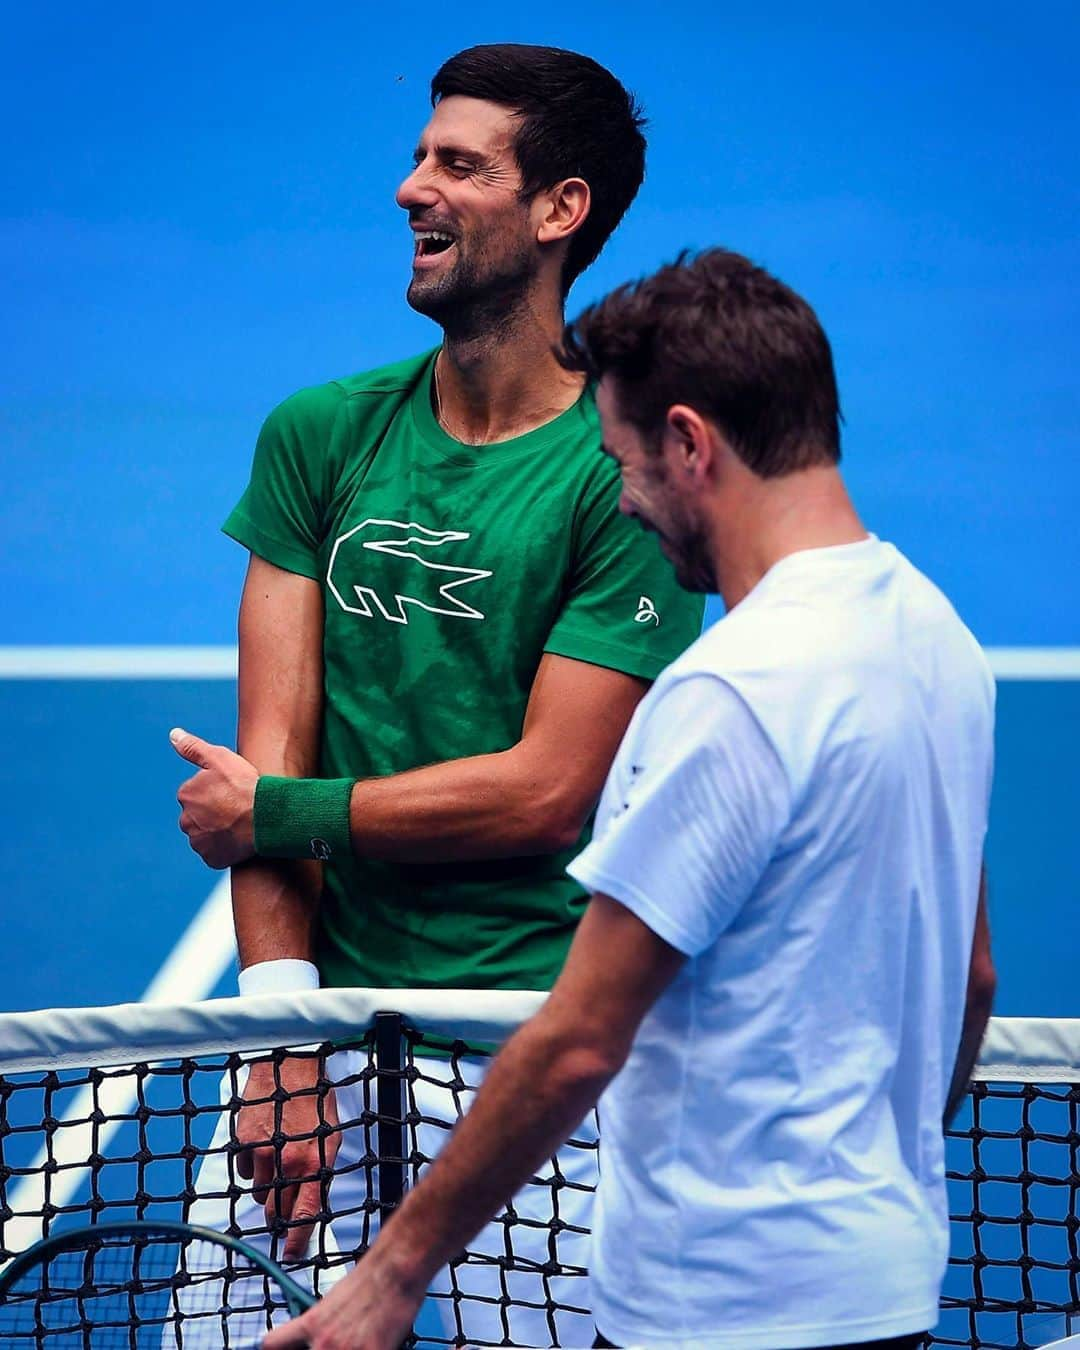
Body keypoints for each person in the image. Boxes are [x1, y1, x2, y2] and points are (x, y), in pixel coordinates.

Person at [260, 248, 998, 1350]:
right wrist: (870, 1171)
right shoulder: (938, 639)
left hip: (713, 1307)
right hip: (883, 1281)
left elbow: (578, 1041)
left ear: (691, 443)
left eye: (624, 461)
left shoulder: (733, 693)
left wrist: (391, 1274)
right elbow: (973, 976)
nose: (622, 497)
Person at [168, 43, 704, 1349]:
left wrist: (279, 808)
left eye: (457, 166)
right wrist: (278, 1038)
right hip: (323, 1038)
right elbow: (272, 748)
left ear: (559, 210)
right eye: (420, 158)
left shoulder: (619, 475)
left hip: (525, 1049)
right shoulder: (321, 433)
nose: (411, 189)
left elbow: (546, 788)